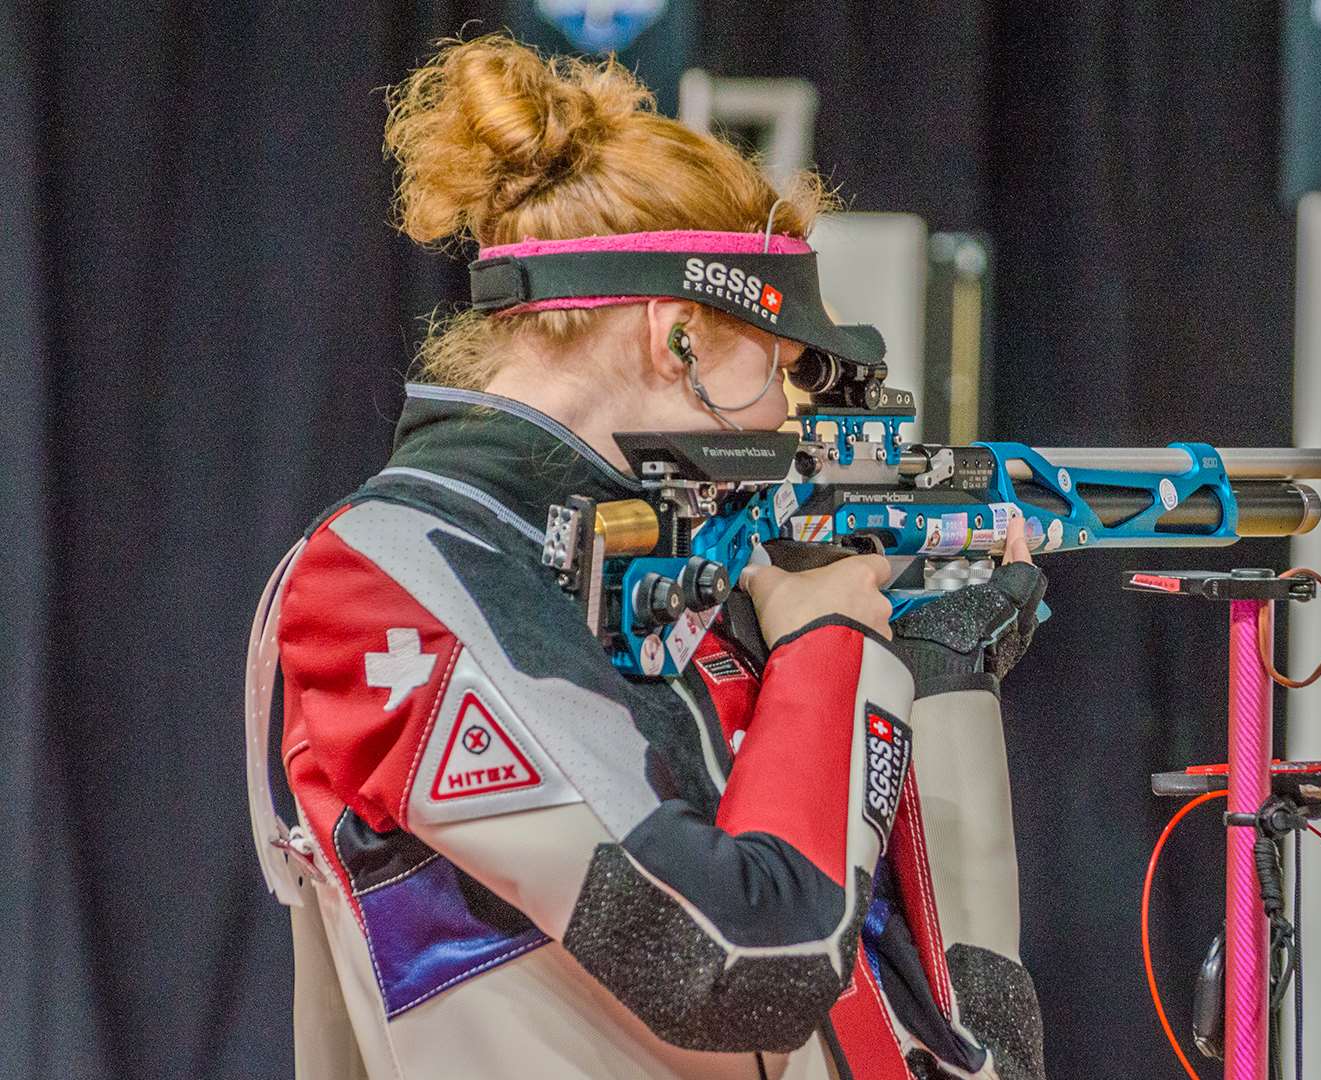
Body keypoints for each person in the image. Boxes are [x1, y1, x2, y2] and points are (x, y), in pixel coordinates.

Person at [244, 35, 1045, 1080]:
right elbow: (746, 964)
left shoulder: (665, 566)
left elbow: (960, 1050)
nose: (790, 419)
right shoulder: (388, 575)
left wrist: (936, 687)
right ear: (679, 339)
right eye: (779, 370)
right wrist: (832, 645)